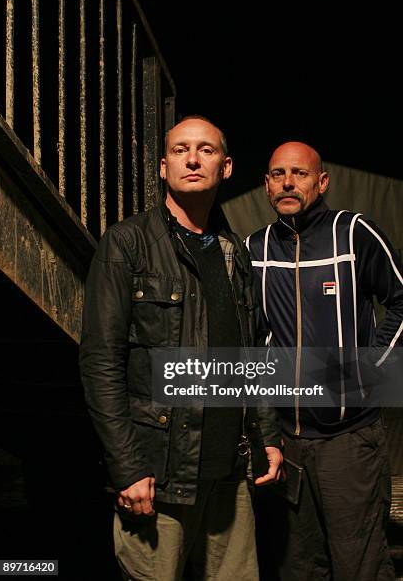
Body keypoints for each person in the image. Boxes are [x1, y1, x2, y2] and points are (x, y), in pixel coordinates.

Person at [79, 116, 283, 581]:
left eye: (206, 150)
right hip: (161, 476)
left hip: (229, 475)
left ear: (226, 167)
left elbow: (250, 355)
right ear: (163, 168)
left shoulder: (234, 251)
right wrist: (127, 466)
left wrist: (267, 433)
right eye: (180, 150)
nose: (193, 159)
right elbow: (100, 363)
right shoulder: (127, 243)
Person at [246, 141, 402, 581]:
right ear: (266, 185)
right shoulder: (253, 248)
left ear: (322, 181)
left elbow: (402, 301)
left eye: (299, 173)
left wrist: (370, 367)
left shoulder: (352, 232)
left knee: (360, 566)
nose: (288, 182)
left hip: (347, 442)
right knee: (296, 567)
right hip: (286, 445)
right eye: (278, 174)